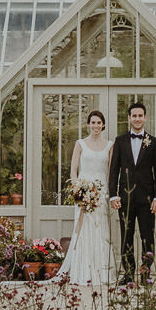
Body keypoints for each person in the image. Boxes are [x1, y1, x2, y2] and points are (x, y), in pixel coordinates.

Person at [54, 109, 114, 286]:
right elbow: (73, 169)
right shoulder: (80, 144)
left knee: (99, 231)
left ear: (103, 125)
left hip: (101, 195)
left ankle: (101, 274)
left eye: (99, 122)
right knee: (84, 230)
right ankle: (82, 271)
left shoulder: (110, 145)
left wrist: (108, 193)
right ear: (88, 124)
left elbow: (110, 172)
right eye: (93, 122)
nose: (96, 126)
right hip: (83, 193)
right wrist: (78, 191)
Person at [106, 100, 156, 283]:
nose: (137, 119)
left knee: (148, 237)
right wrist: (113, 195)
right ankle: (129, 275)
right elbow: (113, 170)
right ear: (129, 118)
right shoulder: (120, 141)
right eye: (134, 116)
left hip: (147, 199)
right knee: (127, 237)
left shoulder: (153, 142)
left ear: (145, 118)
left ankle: (146, 274)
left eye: (140, 116)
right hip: (126, 198)